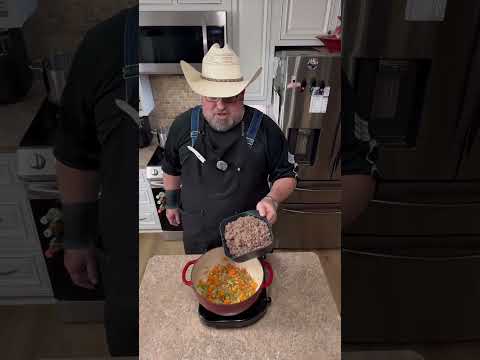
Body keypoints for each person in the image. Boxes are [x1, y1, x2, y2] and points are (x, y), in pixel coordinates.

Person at [53, 5, 138, 357]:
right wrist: (76, 237)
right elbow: (76, 152)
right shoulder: (105, 43)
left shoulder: (237, 32)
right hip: (126, 255)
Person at [162, 43, 297, 254]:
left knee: (252, 285)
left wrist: (272, 199)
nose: (220, 105)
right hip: (198, 233)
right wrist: (171, 203)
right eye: (212, 97)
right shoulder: (182, 125)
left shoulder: (266, 129)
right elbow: (171, 168)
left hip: (249, 235)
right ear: (201, 94)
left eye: (229, 97)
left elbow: (287, 175)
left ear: (242, 93)